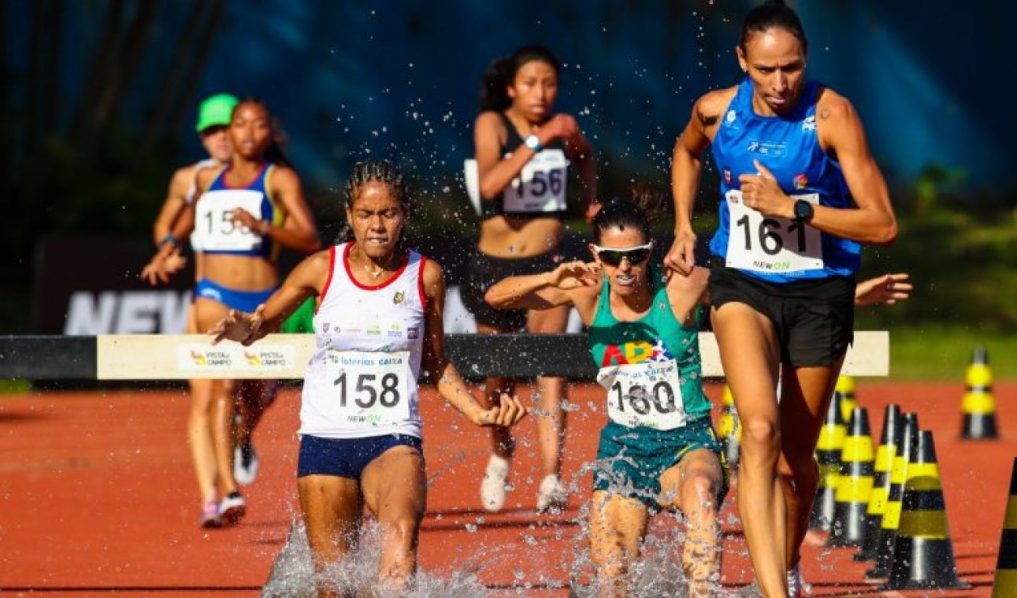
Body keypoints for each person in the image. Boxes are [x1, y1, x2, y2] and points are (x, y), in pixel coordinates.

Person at [666, 1, 898, 595]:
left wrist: (794, 208)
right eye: (764, 70)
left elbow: (882, 225)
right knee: (759, 432)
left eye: (790, 68)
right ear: (742, 60)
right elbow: (685, 151)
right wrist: (684, 227)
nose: (778, 83)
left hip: (820, 293)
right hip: (742, 284)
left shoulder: (832, 115)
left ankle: (788, 562)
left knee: (796, 460)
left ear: (806, 60)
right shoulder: (716, 112)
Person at [211, 159, 527, 594]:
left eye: (388, 213)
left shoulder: (426, 276)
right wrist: (241, 328)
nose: (377, 225)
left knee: (400, 546)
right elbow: (262, 323)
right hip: (325, 441)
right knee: (333, 586)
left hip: (393, 437)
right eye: (366, 214)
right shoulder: (321, 269)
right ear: (349, 217)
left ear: (404, 216)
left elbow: (436, 366)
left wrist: (478, 411)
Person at [485, 190, 726, 596]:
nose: (625, 267)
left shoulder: (684, 287)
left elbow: (761, 299)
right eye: (613, 258)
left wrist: (850, 297)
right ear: (597, 254)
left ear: (652, 251)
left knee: (701, 492)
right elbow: (495, 296)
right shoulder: (587, 292)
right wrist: (550, 277)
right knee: (613, 577)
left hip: (688, 443)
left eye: (636, 255)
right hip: (624, 450)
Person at [143, 98, 321, 527]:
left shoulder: (278, 178)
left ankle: (243, 437)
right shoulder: (204, 178)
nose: (241, 134)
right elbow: (181, 225)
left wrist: (262, 226)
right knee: (222, 387)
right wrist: (165, 253)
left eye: (254, 126)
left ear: (267, 133)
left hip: (261, 300)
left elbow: (309, 237)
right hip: (213, 294)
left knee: (254, 395)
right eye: (236, 126)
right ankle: (225, 490)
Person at [464, 44, 600, 513]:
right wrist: (540, 140)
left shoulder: (563, 130)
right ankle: (501, 450)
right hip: (495, 265)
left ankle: (551, 477)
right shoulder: (494, 124)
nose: (541, 93)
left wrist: (590, 199)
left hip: (549, 267)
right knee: (496, 377)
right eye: (530, 83)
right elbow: (489, 185)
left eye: (549, 83)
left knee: (551, 371)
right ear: (510, 88)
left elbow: (585, 159)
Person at [148, 93, 237, 527]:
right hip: (203, 301)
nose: (221, 138)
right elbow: (167, 223)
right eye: (211, 131)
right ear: (202, 138)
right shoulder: (191, 177)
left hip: (250, 305)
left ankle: (241, 443)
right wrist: (167, 251)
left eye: (227, 128)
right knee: (204, 397)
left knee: (244, 394)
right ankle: (212, 497)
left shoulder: (264, 176)